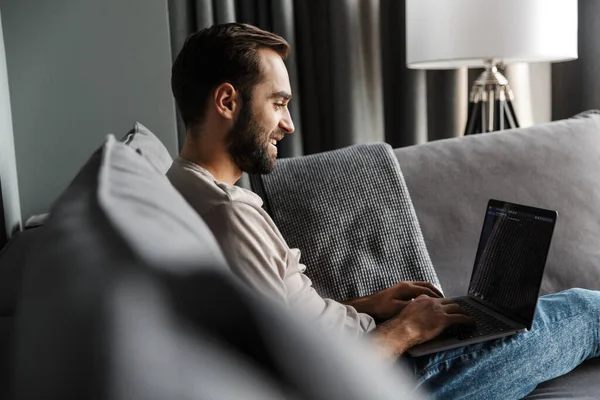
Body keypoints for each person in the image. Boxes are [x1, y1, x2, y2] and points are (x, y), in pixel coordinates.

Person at [166, 23, 600, 399]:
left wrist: (369, 307)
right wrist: (409, 329)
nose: (288, 124)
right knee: (588, 309)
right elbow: (304, 375)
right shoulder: (228, 215)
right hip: (396, 381)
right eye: (277, 103)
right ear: (227, 102)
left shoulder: (183, 188)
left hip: (378, 354)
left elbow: (286, 325)